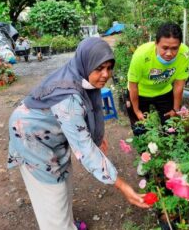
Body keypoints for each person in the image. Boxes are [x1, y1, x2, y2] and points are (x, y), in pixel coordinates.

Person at [8, 37, 150, 230]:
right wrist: (123, 186)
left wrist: (97, 137)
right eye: (99, 68)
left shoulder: (80, 75)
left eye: (109, 67)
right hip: (31, 138)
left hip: (52, 134)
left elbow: (89, 113)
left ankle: (66, 223)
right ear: (86, 63)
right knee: (52, 189)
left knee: (63, 177)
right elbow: (85, 149)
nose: (105, 74)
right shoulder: (68, 99)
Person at [127, 22, 189, 135]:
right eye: (164, 48)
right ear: (156, 43)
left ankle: (169, 150)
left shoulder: (184, 54)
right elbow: (133, 86)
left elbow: (179, 85)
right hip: (140, 93)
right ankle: (144, 152)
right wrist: (136, 110)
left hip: (163, 90)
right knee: (140, 129)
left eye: (174, 48)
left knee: (172, 127)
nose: (169, 53)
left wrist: (175, 109)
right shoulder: (141, 55)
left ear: (180, 45)